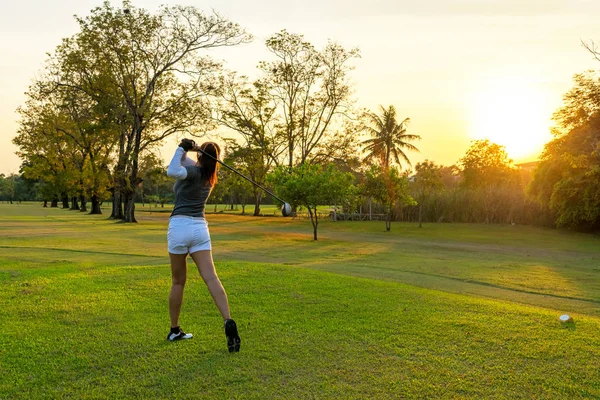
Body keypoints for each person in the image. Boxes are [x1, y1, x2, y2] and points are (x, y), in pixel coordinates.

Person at [165, 138, 241, 353]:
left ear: (200, 157)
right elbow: (184, 161)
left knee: (178, 281)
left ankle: (174, 329)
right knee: (211, 278)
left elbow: (172, 170)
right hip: (199, 229)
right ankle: (227, 320)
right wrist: (189, 149)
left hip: (179, 226)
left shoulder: (192, 173)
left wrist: (181, 146)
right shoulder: (208, 176)